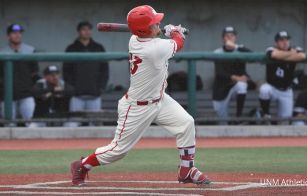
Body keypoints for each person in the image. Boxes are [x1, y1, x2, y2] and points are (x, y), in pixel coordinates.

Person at [70, 5, 210, 186]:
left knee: (186, 123)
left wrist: (164, 31)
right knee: (117, 151)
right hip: (137, 107)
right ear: (145, 29)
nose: (158, 23)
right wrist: (176, 32)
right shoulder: (155, 48)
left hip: (159, 99)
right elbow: (178, 44)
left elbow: (159, 38)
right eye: (154, 23)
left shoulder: (135, 38)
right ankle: (82, 165)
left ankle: (186, 170)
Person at [0, 24, 38, 126]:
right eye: (14, 33)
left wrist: (30, 87)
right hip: (8, 95)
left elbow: (34, 72)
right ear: (8, 36)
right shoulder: (2, 52)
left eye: (19, 33)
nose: (17, 35)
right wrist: (2, 91)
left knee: (30, 123)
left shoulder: (30, 50)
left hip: (26, 94)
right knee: (9, 124)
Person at [63, 21, 109, 127]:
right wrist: (72, 88)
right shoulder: (71, 48)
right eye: (84, 29)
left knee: (95, 125)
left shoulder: (98, 48)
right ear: (79, 32)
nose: (87, 32)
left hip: (94, 94)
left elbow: (105, 70)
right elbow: (66, 71)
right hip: (77, 95)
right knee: (72, 124)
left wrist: (101, 87)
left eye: (89, 29)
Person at [259, 31, 306, 122]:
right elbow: (274, 54)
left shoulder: (296, 48)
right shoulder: (271, 48)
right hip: (272, 88)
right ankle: (266, 114)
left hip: (286, 90)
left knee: (285, 121)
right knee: (264, 89)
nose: (285, 42)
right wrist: (292, 54)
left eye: (286, 40)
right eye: (281, 40)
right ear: (276, 43)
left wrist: (283, 55)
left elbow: (302, 56)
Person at [212, 26, 251, 124]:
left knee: (242, 85)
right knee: (223, 123)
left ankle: (238, 117)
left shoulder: (240, 50)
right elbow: (220, 73)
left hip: (234, 86)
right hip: (221, 90)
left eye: (232, 36)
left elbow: (252, 56)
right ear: (223, 38)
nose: (229, 38)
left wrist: (236, 47)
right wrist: (237, 78)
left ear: (235, 38)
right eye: (227, 36)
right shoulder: (217, 52)